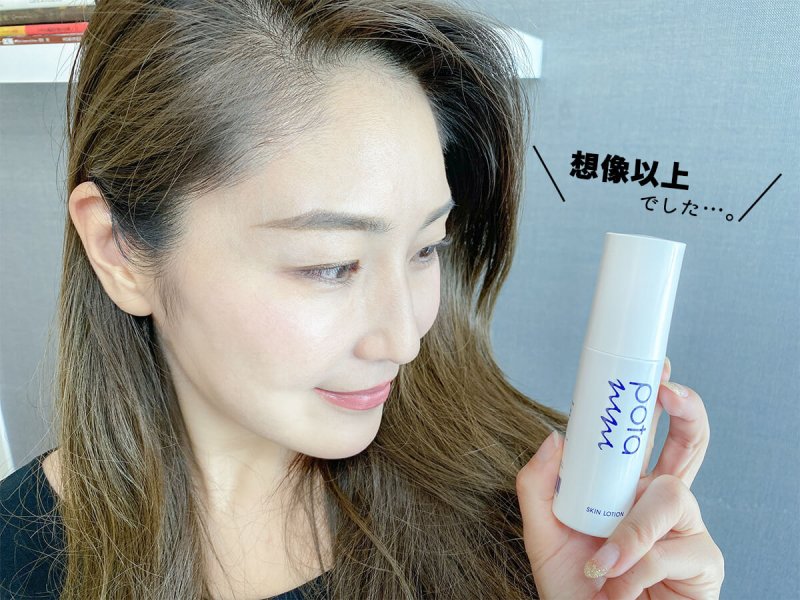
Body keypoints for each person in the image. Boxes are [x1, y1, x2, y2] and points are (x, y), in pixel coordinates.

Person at [0, 0, 724, 599]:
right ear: (119, 250)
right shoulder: (16, 557)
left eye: (426, 248)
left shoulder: (531, 517)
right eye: (330, 265)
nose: (404, 339)